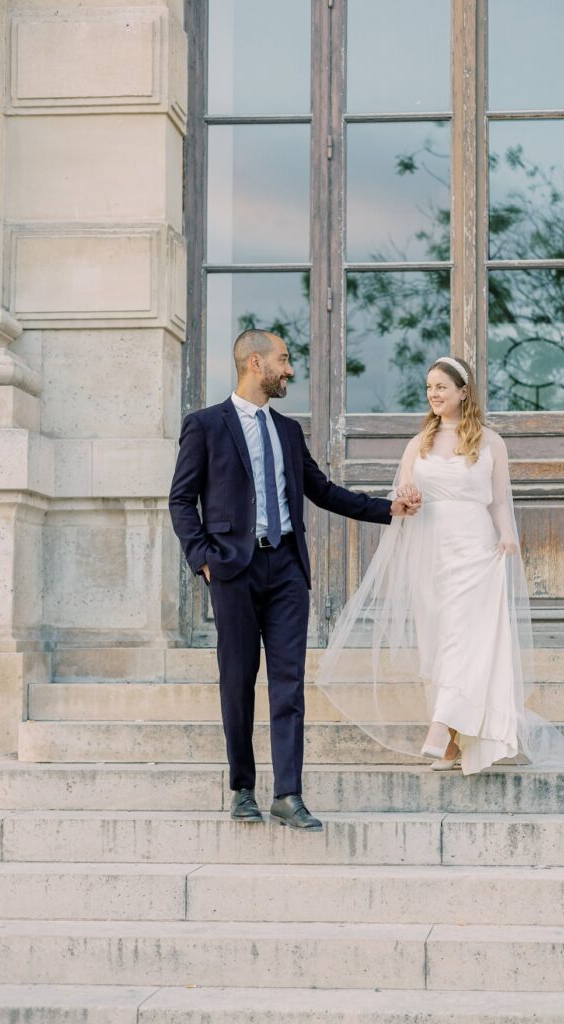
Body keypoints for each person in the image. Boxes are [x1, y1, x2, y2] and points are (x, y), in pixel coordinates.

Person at [168, 329, 420, 831]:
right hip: (232, 570)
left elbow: (322, 491)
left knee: (289, 685)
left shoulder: (288, 431)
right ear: (254, 362)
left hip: (285, 569)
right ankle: (243, 789)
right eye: (283, 360)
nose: (290, 370)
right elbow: (180, 499)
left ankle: (288, 794)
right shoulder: (204, 426)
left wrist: (389, 509)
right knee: (237, 683)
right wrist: (203, 559)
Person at [316, 355, 564, 775]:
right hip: (430, 548)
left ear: (463, 392)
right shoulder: (418, 443)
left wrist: (508, 534)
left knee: (464, 638)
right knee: (437, 640)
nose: (434, 394)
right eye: (430, 387)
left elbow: (499, 497)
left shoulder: (490, 441)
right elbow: (404, 490)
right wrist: (408, 496)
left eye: (442, 387)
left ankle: (439, 725)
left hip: (475, 548)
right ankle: (453, 744)